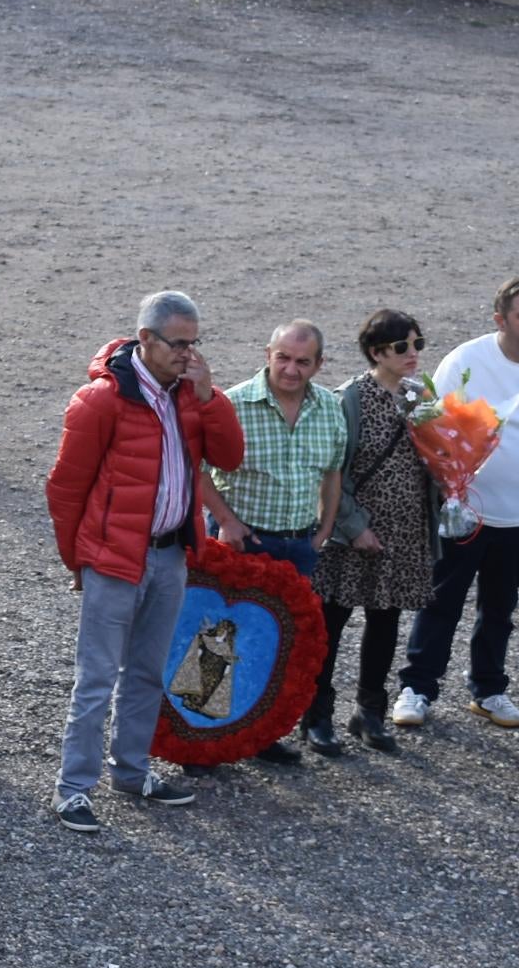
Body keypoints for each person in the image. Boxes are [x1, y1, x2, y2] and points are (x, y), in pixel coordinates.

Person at [45, 291, 242, 832]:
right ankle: (74, 789)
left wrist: (211, 399)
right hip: (113, 559)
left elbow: (230, 459)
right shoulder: (100, 400)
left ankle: (131, 772)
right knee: (96, 679)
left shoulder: (191, 394)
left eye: (195, 343)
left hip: (170, 555)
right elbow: (64, 489)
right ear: (147, 339)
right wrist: (78, 561)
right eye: (179, 344)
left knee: (148, 673)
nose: (189, 354)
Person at [394, 276, 519, 734]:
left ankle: (488, 688)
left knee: (500, 605)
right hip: (464, 511)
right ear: (500, 320)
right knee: (442, 600)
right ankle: (417, 688)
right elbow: (430, 424)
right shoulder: (467, 358)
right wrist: (446, 491)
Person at [192, 321, 340, 762]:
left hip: (300, 547)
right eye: (284, 358)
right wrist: (226, 521)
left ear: (319, 364)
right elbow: (195, 467)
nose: (291, 369)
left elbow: (333, 470)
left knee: (276, 644)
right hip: (245, 543)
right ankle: (201, 741)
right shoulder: (232, 404)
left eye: (303, 361)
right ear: (268, 354)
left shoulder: (330, 408)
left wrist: (326, 526)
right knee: (218, 641)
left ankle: (259, 736)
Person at [309, 310, 438, 756]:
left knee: (386, 623)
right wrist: (353, 526)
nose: (413, 354)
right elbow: (331, 472)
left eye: (417, 343)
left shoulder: (422, 394)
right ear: (376, 352)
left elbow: (436, 458)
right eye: (402, 347)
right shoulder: (350, 398)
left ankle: (370, 712)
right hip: (352, 534)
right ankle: (317, 713)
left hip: (405, 531)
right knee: (331, 624)